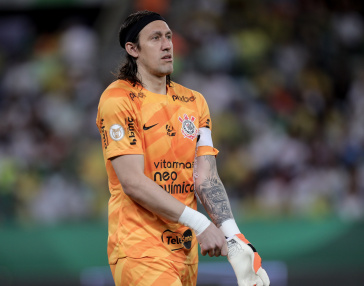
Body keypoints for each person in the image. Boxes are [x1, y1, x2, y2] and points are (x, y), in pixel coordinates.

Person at [96, 10, 270, 286]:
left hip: (185, 252)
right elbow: (132, 181)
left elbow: (207, 178)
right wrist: (200, 224)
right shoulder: (118, 98)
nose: (167, 45)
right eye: (155, 38)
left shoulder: (194, 102)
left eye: (168, 37)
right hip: (139, 248)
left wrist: (235, 239)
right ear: (133, 49)